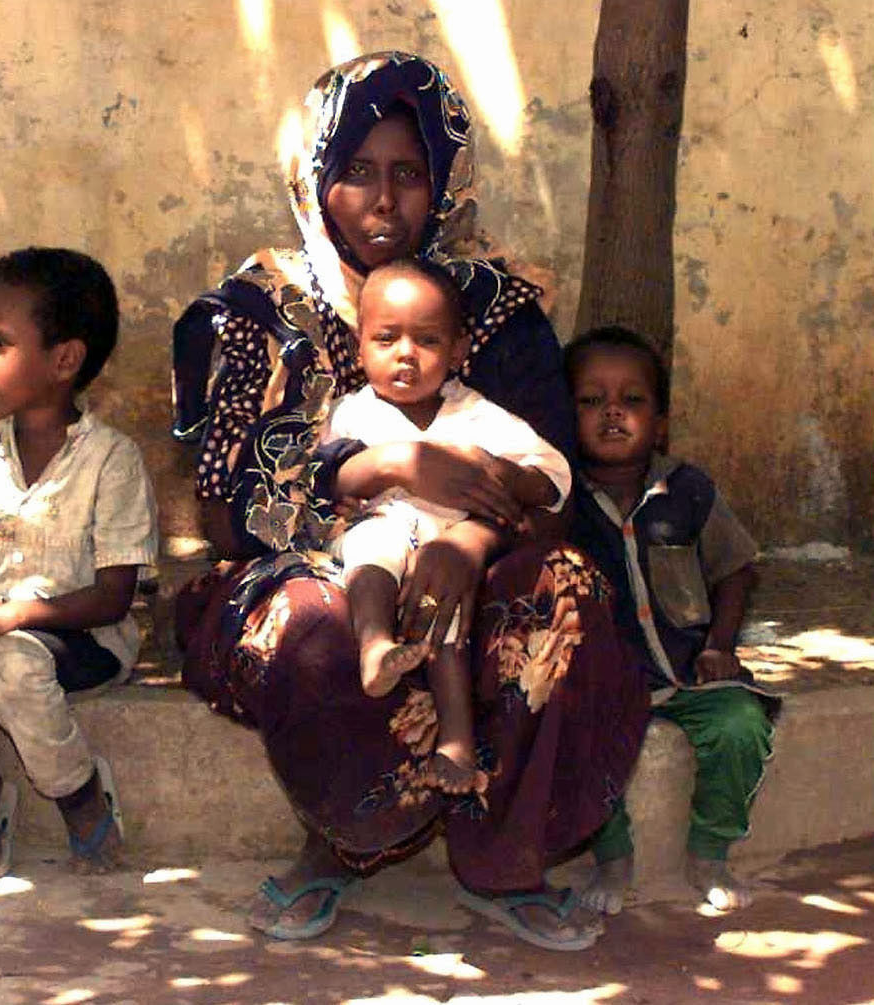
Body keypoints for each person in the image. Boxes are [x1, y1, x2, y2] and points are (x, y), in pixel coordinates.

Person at [171, 51, 651, 950]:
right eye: (356, 172)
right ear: (317, 177)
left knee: (565, 590)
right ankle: (338, 840)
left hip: (467, 559)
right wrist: (391, 467)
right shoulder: (258, 305)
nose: (383, 201)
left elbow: (552, 484)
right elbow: (219, 509)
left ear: (445, 181)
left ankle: (504, 856)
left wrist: (468, 539)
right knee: (319, 627)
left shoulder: (495, 308)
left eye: (409, 174)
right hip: (303, 567)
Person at [0, 248, 157, 877]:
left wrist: (10, 618)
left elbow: (113, 596)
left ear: (64, 360)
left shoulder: (111, 460)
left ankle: (81, 798)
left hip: (81, 635)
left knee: (10, 664)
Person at [326, 259, 570, 795]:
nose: (405, 354)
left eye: (427, 340)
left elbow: (553, 476)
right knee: (370, 547)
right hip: (384, 527)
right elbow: (325, 477)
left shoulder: (480, 417)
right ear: (359, 347)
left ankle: (456, 740)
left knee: (447, 619)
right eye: (386, 338)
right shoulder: (350, 414)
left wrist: (500, 472)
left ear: (459, 351)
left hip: (445, 546)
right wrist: (360, 479)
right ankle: (375, 646)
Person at [564, 326, 776, 916]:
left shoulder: (689, 490)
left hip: (689, 671)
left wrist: (720, 646)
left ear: (659, 421)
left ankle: (710, 852)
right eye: (591, 400)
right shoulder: (562, 501)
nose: (612, 411)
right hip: (604, 678)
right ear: (566, 413)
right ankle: (612, 858)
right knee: (576, 732)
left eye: (632, 400)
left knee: (740, 722)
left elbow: (735, 569)